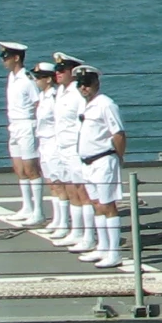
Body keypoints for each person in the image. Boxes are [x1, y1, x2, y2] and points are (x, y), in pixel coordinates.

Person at [71, 65, 127, 269]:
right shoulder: (85, 105)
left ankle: (114, 252)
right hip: (88, 162)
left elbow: (118, 134)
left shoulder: (106, 104)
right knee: (97, 204)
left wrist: (119, 158)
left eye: (87, 83)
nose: (83, 88)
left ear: (96, 83)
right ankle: (103, 246)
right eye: (80, 84)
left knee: (108, 205)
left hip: (104, 160)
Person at [50, 52, 95, 252]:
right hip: (63, 147)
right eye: (57, 70)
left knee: (82, 191)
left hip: (76, 148)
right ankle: (76, 232)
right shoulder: (61, 92)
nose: (57, 73)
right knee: (70, 189)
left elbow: (84, 122)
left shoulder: (77, 95)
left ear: (72, 72)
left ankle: (89, 235)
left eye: (61, 70)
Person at [0, 41, 43, 226]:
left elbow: (38, 103)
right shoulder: (12, 77)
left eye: (6, 56)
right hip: (14, 125)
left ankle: (39, 211)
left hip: (27, 124)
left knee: (31, 168)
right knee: (19, 168)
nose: (3, 60)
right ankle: (27, 206)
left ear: (16, 57)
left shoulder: (27, 79)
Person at [30, 59, 72, 240]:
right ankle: (57, 218)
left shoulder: (55, 96)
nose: (36, 80)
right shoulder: (43, 96)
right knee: (51, 183)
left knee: (59, 183)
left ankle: (64, 222)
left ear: (48, 79)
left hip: (54, 142)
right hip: (44, 142)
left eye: (40, 77)